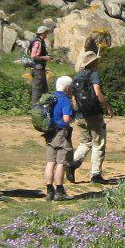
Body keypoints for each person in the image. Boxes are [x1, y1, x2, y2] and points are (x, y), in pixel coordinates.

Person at [70, 50, 111, 185]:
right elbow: (98, 93)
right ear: (93, 63)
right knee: (98, 143)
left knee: (85, 143)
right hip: (94, 115)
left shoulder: (77, 76)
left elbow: (74, 98)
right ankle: (95, 174)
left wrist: (77, 112)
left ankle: (72, 164)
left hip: (80, 115)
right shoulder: (93, 75)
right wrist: (107, 107)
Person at [42, 73, 74, 201]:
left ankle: (49, 191)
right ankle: (60, 192)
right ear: (67, 88)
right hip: (60, 133)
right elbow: (66, 119)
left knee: (50, 162)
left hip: (49, 133)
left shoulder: (50, 97)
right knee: (61, 162)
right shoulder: (65, 100)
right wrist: (71, 119)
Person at [25, 25, 51, 108]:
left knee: (44, 89)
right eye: (46, 33)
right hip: (38, 69)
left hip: (38, 68)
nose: (47, 34)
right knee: (38, 89)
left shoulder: (38, 41)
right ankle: (35, 109)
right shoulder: (38, 42)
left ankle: (43, 109)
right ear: (43, 33)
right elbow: (34, 56)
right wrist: (45, 58)